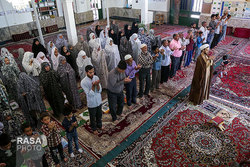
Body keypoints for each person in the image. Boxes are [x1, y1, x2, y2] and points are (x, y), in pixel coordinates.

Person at [81, 65, 103, 134]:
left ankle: (99, 125)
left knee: (99, 115)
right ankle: (94, 128)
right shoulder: (83, 82)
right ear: (86, 73)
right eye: (90, 72)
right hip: (92, 103)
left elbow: (100, 90)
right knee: (92, 117)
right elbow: (89, 94)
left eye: (93, 72)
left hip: (98, 100)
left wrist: (97, 85)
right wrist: (93, 86)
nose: (92, 74)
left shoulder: (96, 77)